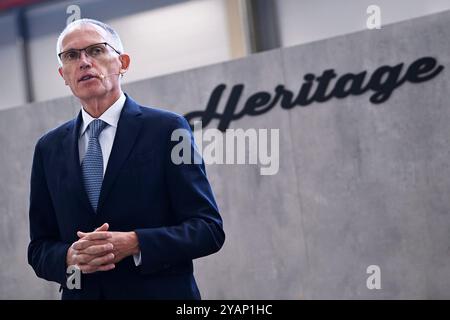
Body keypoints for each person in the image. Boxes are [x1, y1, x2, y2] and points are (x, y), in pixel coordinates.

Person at [27, 18, 225, 300]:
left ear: (123, 63)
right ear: (64, 75)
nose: (84, 62)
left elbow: (207, 229)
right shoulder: (48, 148)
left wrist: (135, 243)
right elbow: (39, 248)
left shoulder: (167, 130)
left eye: (95, 50)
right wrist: (69, 256)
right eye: (72, 55)